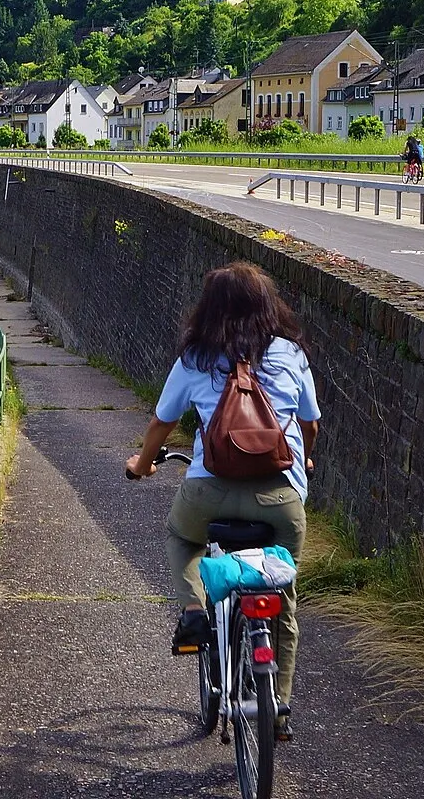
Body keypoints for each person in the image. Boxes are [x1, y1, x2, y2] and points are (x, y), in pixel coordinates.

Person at [125, 262, 319, 740]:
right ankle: (280, 706)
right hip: (280, 500)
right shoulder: (290, 354)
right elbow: (311, 426)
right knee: (282, 594)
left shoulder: (195, 358)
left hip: (208, 492)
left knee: (181, 537)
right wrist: (304, 462)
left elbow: (160, 426)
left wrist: (143, 463)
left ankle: (194, 610)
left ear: (208, 308)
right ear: (267, 305)